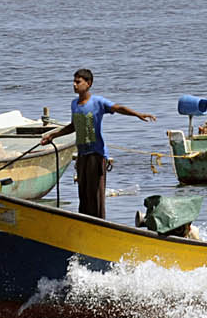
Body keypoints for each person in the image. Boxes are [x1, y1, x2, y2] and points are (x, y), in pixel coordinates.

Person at [44, 68, 156, 219]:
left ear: (88, 83)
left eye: (78, 82)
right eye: (74, 81)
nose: (74, 85)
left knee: (96, 197)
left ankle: (99, 225)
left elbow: (117, 108)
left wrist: (137, 114)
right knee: (83, 196)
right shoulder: (74, 104)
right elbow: (74, 126)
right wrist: (53, 136)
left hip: (96, 155)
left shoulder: (97, 102)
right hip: (82, 156)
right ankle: (84, 223)